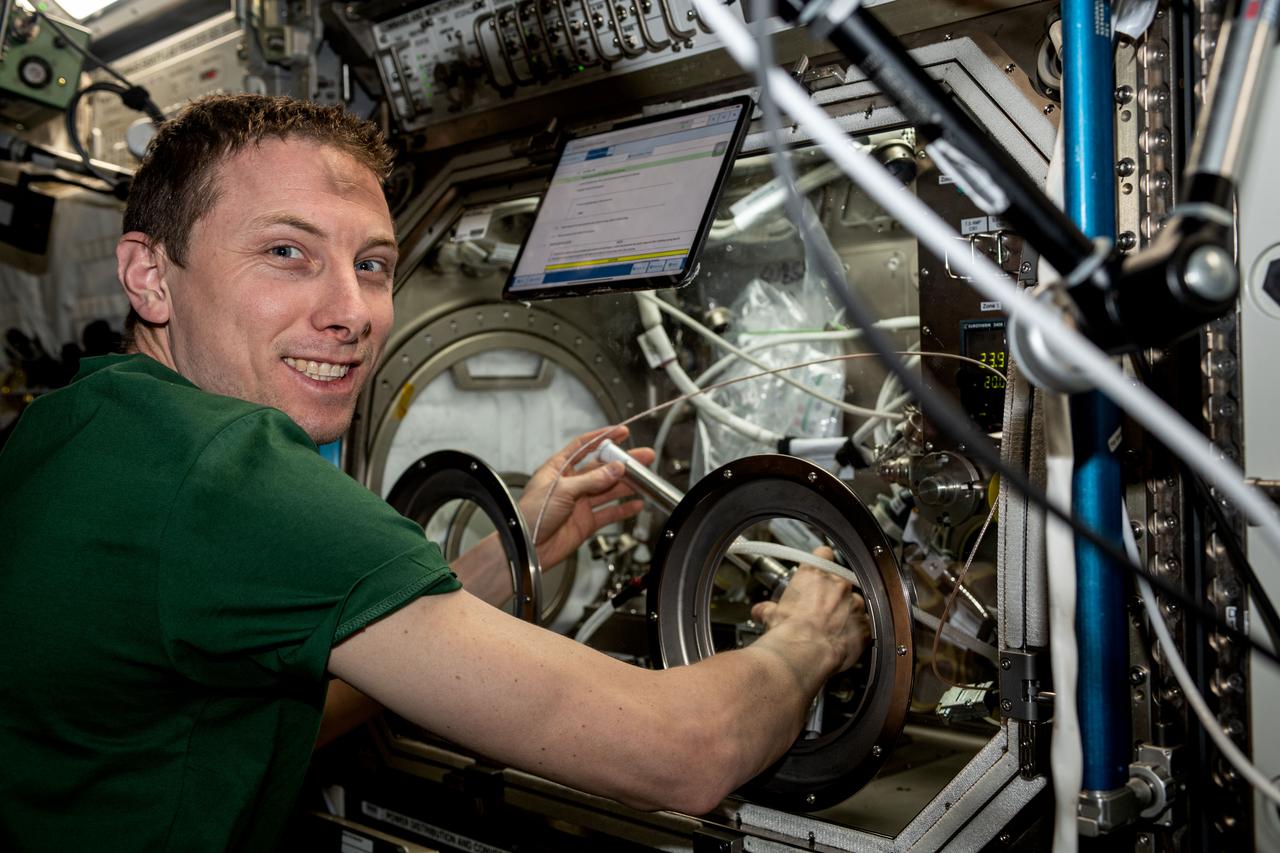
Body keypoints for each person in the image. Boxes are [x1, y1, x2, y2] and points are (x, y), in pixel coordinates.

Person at [0, 94, 869, 851]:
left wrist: (502, 556)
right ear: (150, 275)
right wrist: (812, 636)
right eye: (285, 253)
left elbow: (259, 722)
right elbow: (684, 750)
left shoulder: (77, 425)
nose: (351, 313)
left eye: (372, 265)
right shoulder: (230, 474)